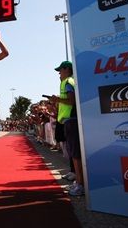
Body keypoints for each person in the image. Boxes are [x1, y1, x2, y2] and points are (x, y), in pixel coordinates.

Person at [47, 60, 84, 196]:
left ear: (67, 69)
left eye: (60, 70)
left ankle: (80, 185)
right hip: (71, 120)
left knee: (75, 154)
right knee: (75, 153)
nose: (59, 73)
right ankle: (79, 182)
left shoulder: (68, 81)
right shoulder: (71, 81)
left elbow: (71, 100)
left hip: (71, 120)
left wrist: (57, 100)